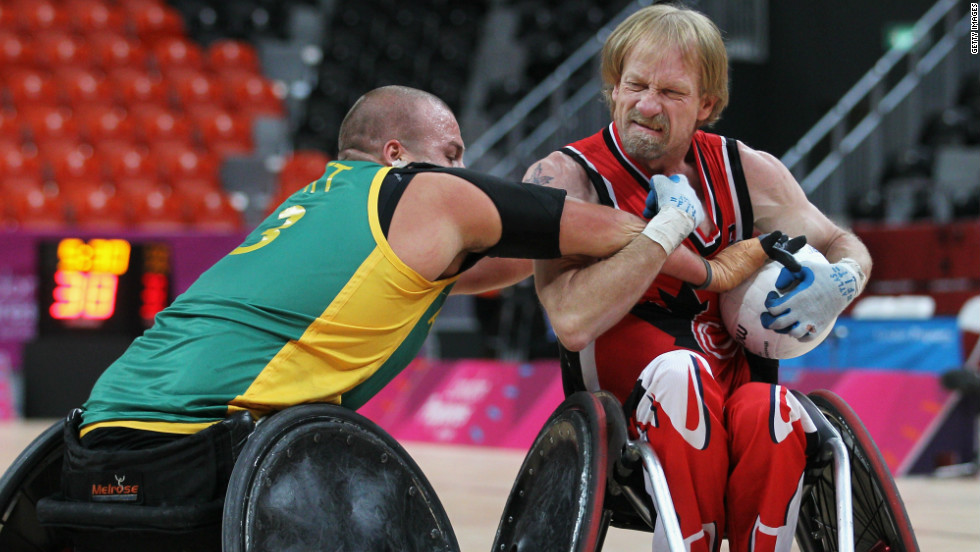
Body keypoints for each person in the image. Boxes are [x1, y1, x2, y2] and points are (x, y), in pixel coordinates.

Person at [54, 85, 713, 536]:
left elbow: (511, 265)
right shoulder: (418, 194)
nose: (464, 169)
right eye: (453, 154)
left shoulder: (317, 210)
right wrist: (697, 246)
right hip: (192, 466)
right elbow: (602, 231)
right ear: (397, 156)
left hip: (85, 463)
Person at [526, 5, 873, 552]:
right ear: (613, 88)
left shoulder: (745, 168)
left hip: (736, 394)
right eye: (635, 84)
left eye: (671, 92)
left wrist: (845, 278)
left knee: (777, 409)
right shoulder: (566, 178)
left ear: (706, 104)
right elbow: (570, 321)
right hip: (632, 410)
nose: (646, 104)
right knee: (681, 375)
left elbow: (839, 241)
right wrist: (663, 231)